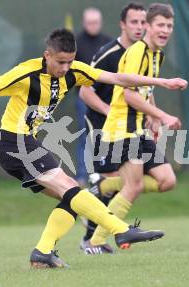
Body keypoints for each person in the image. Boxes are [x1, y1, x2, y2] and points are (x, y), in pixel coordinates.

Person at [0, 28, 187, 268]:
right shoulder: (25, 72)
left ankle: (42, 252)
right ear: (47, 55)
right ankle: (121, 230)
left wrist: (161, 81)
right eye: (60, 62)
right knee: (71, 187)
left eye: (69, 62)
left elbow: (117, 78)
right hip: (14, 143)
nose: (65, 68)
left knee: (72, 199)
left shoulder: (75, 71)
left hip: (27, 144)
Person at [81, 3, 184, 252]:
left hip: (137, 127)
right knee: (135, 185)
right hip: (122, 128)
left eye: (169, 26)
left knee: (167, 180)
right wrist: (163, 115)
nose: (165, 30)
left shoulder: (156, 54)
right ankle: (95, 242)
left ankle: (104, 187)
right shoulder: (137, 52)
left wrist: (154, 118)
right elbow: (127, 95)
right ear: (148, 26)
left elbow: (145, 92)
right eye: (160, 24)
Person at [79, 2, 148, 254]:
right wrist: (110, 112)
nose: (139, 27)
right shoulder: (109, 53)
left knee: (126, 182)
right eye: (134, 22)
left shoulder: (145, 53)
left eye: (143, 22)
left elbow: (144, 89)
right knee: (113, 180)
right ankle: (89, 240)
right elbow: (85, 92)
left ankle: (94, 231)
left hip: (128, 127)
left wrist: (152, 113)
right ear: (123, 24)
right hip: (101, 125)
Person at [74, 8, 111, 184]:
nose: (93, 25)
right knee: (84, 136)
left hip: (106, 97)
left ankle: (104, 174)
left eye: (96, 22)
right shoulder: (76, 43)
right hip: (84, 97)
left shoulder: (107, 43)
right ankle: (82, 175)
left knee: (105, 136)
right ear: (84, 22)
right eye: (90, 22)